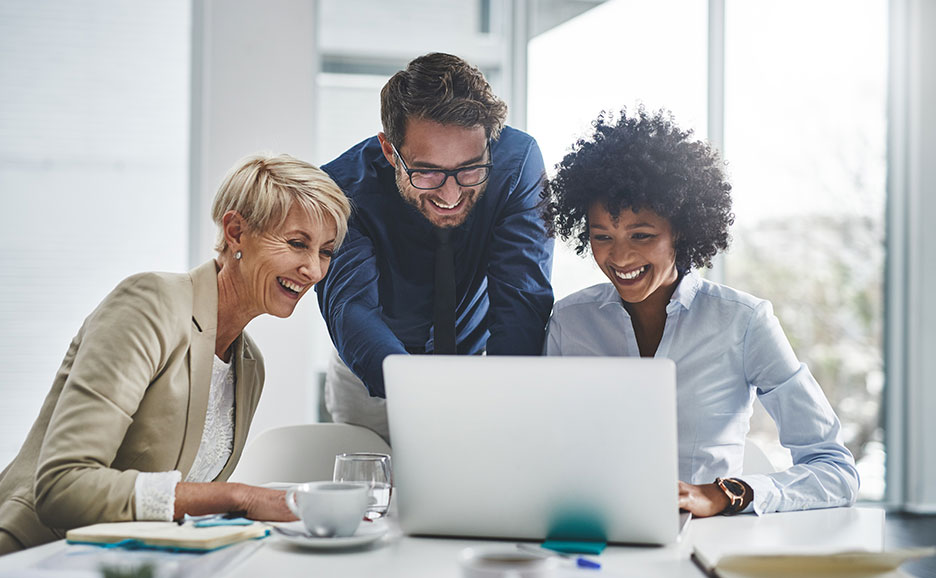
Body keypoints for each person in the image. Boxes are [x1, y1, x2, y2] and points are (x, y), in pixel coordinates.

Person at [0, 154, 351, 554]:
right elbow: (63, 485)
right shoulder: (150, 304)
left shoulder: (249, 365)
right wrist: (238, 497)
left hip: (138, 564)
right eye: (296, 243)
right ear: (235, 231)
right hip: (36, 556)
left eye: (325, 251)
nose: (314, 270)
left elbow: (178, 509)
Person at [543, 108, 859, 516]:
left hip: (704, 544)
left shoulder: (743, 323)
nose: (619, 256)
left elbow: (835, 470)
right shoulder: (570, 322)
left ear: (682, 230)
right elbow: (545, 448)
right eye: (602, 236)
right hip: (594, 534)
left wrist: (722, 494)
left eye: (641, 235)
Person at [317, 52, 554, 442]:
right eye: (427, 171)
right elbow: (352, 308)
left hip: (481, 366)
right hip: (373, 378)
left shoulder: (517, 163)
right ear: (390, 150)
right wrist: (424, 398)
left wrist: (503, 399)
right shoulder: (340, 188)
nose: (450, 192)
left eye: (469, 168)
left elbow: (522, 298)